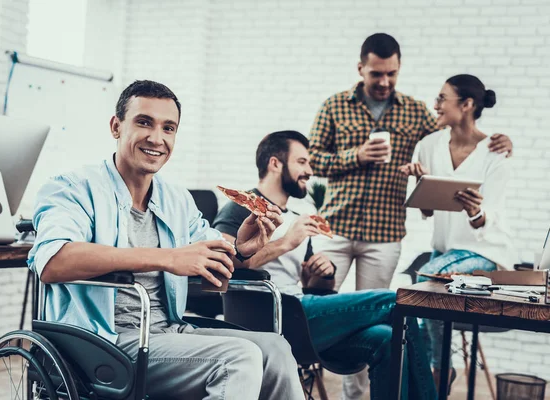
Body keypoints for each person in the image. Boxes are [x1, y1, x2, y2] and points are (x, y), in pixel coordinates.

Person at [27, 80, 305, 400]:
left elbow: (211, 257)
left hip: (167, 332)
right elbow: (52, 262)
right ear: (116, 126)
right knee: (238, 360)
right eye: (144, 122)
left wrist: (240, 249)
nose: (156, 138)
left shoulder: (176, 199)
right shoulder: (71, 187)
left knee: (275, 349)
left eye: (168, 128)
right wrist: (167, 257)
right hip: (101, 342)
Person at [308, 32, 513, 398]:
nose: (384, 82)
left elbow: (456, 138)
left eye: (392, 74)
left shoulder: (417, 112)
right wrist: (356, 156)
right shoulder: (334, 106)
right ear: (361, 69)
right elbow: (313, 159)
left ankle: (361, 396)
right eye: (376, 74)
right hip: (335, 226)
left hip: (385, 233)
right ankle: (318, 384)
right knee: (321, 311)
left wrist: (499, 140)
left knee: (370, 320)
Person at [213, 130, 437, 400]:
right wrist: (286, 242)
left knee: (388, 338)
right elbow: (222, 263)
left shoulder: (295, 217)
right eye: (302, 162)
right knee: (397, 302)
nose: (310, 170)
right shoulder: (240, 207)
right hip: (268, 317)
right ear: (275, 164)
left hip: (300, 313)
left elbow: (313, 287)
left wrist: (323, 273)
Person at [400, 74, 517, 392]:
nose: (435, 105)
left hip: (486, 253)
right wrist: (420, 185)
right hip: (444, 254)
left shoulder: (496, 150)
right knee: (426, 297)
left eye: (442, 98)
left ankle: (436, 371)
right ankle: (430, 376)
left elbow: (488, 218)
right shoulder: (428, 145)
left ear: (466, 105)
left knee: (426, 283)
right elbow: (427, 211)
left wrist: (475, 212)